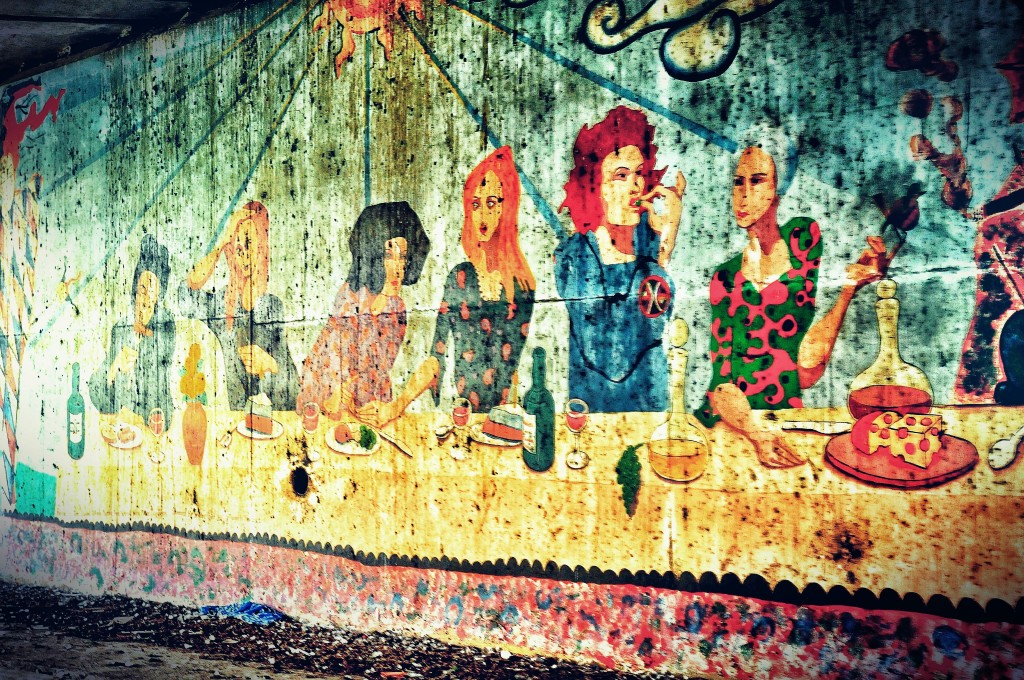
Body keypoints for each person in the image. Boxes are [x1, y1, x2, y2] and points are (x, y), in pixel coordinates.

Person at [694, 127, 885, 467]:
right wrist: (757, 433)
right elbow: (720, 386)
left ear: (778, 188)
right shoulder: (725, 277)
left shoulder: (803, 238)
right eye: (738, 182)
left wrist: (848, 288)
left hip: (786, 422)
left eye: (757, 181)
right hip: (735, 427)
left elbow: (807, 368)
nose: (744, 195)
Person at [358, 147, 535, 427]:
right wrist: (396, 407)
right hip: (461, 417)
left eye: (492, 202)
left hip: (506, 420)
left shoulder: (521, 285)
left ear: (507, 206)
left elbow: (512, 367)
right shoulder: (460, 277)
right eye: (475, 205)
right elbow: (435, 358)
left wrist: (510, 419)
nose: (482, 215)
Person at [554, 106, 685, 413]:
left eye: (639, 174)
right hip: (593, 420)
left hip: (649, 416)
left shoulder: (650, 250)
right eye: (621, 176)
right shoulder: (576, 256)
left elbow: (658, 322)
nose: (635, 185)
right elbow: (609, 358)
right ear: (594, 187)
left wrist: (665, 244)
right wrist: (660, 256)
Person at [296, 202, 430, 421]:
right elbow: (322, 358)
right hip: (334, 406)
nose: (398, 267)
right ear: (373, 255)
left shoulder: (397, 309)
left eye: (403, 256)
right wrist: (330, 394)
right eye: (388, 255)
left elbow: (377, 369)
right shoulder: (350, 297)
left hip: (374, 410)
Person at [179, 201, 298, 410]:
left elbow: (293, 393)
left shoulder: (272, 307)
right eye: (237, 247)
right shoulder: (221, 303)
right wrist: (222, 241)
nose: (243, 254)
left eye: (249, 243)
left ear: (262, 246)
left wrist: (270, 365)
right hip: (227, 419)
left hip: (264, 424)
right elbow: (185, 297)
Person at [89, 234, 175, 423]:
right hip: (123, 427)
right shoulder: (120, 328)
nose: (145, 299)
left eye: (152, 295)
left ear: (158, 299)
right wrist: (113, 369)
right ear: (135, 290)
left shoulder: (166, 327)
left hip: (155, 422)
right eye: (142, 289)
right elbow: (97, 393)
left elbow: (159, 382)